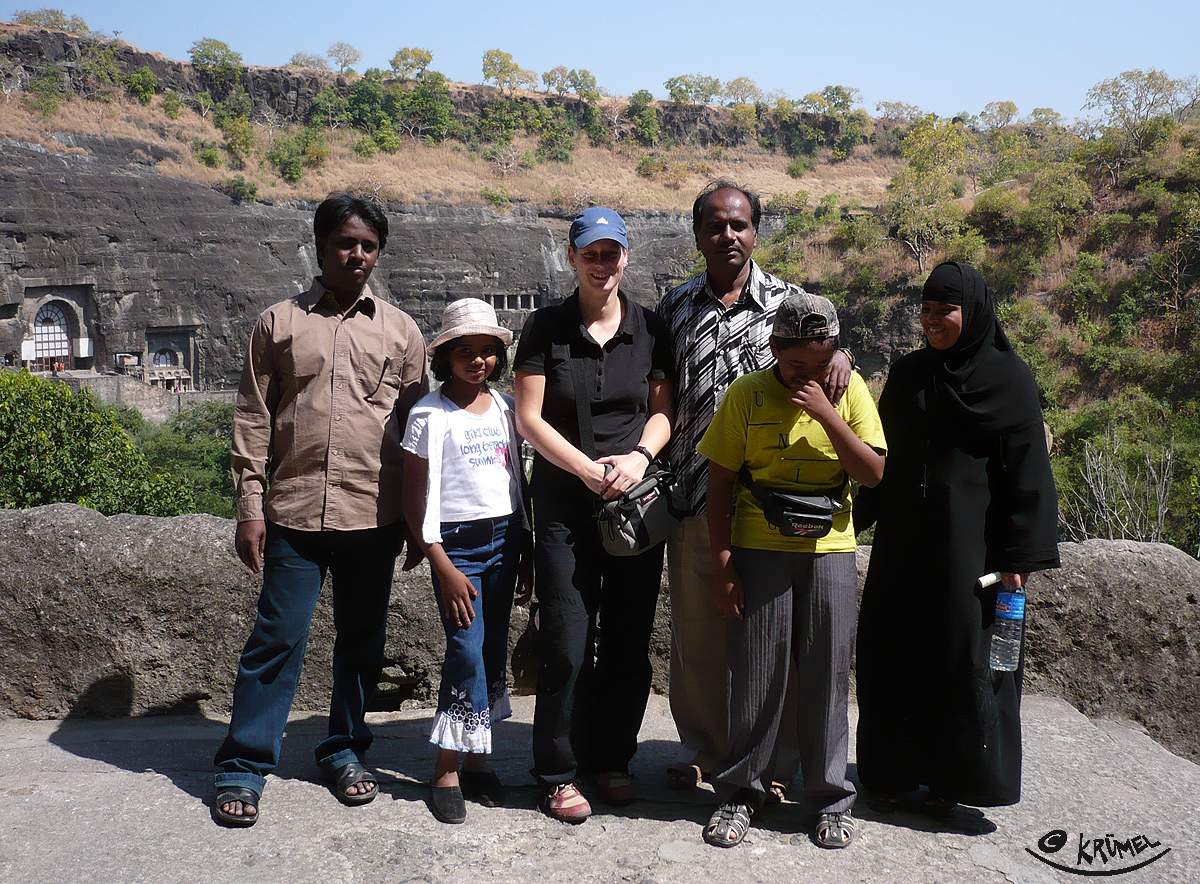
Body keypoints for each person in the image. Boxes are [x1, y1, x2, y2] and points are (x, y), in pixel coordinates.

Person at [212, 194, 428, 827]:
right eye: (346, 243)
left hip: (374, 514)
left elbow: (419, 432)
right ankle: (244, 764)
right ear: (320, 245)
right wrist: (249, 505)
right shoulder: (278, 323)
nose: (357, 255)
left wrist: (418, 520)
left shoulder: (402, 332)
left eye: (368, 246)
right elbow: (253, 417)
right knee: (277, 639)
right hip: (294, 513)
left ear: (378, 254)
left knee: (362, 643)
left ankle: (344, 750)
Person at [655, 179, 853, 791]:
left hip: (777, 508)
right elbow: (661, 389)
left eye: (739, 224)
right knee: (699, 638)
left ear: (756, 232)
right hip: (698, 492)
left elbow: (829, 353)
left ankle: (778, 761)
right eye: (715, 225)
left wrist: (843, 356)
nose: (728, 235)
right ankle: (706, 750)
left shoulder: (791, 303)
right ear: (697, 236)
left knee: (780, 642)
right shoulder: (674, 307)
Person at [854, 262, 1059, 819]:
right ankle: (891, 773)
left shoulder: (1009, 381)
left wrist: (1018, 557)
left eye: (944, 310)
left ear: (972, 312)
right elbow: (882, 455)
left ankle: (953, 780)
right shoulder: (909, 374)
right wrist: (852, 518)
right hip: (903, 544)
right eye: (925, 309)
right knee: (893, 651)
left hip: (972, 550)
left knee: (963, 657)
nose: (931, 320)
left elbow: (1028, 475)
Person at [697, 294, 886, 849]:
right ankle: (741, 792)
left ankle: (829, 797)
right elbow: (720, 485)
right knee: (757, 674)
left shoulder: (848, 390)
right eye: (796, 362)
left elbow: (872, 473)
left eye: (821, 361)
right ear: (775, 349)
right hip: (760, 547)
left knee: (827, 674)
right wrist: (724, 563)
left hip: (830, 549)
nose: (808, 373)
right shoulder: (747, 395)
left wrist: (827, 413)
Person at [513, 207, 674, 823]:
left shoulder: (650, 328)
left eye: (611, 253)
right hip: (564, 503)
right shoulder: (545, 327)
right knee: (567, 638)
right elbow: (528, 417)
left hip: (634, 504)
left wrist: (638, 459)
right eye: (590, 253)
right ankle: (557, 771)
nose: (601, 264)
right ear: (572, 257)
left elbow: (662, 412)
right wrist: (585, 469)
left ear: (626, 257)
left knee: (629, 638)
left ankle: (612, 759)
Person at [401, 298, 532, 824]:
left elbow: (516, 482)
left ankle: (478, 760)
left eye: (487, 351)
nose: (478, 360)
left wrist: (524, 551)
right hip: (456, 547)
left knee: (493, 649)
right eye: (465, 352)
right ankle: (445, 769)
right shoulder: (429, 415)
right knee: (465, 652)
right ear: (446, 357)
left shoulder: (504, 407)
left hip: (505, 538)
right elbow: (413, 498)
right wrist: (441, 563)